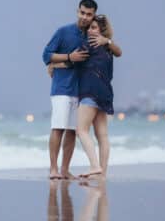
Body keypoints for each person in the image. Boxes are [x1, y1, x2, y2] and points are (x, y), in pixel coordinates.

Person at [48, 14, 122, 178]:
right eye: (89, 27)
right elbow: (120, 52)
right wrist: (108, 41)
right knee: (102, 135)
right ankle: (102, 172)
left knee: (81, 130)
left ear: (101, 30)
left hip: (90, 92)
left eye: (94, 27)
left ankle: (95, 166)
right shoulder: (107, 48)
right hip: (106, 93)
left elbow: (73, 61)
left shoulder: (90, 44)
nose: (89, 30)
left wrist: (54, 64)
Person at [42, 0, 97, 180]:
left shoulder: (92, 36)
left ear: (93, 16)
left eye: (89, 14)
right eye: (82, 13)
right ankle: (53, 169)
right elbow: (46, 55)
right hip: (62, 89)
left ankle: (65, 170)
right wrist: (68, 57)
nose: (85, 17)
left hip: (81, 91)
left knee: (73, 131)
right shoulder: (63, 31)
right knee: (58, 128)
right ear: (77, 11)